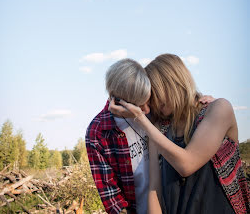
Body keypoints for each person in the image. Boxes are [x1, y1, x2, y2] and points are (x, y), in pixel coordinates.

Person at [109, 54, 250, 214]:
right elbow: (154, 190)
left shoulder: (218, 109)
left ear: (172, 83)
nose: (151, 103)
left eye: (154, 93)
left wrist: (140, 118)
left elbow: (186, 164)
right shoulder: (159, 128)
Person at [86, 58, 214, 214]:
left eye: (149, 100)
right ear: (117, 99)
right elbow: (112, 197)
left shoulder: (156, 114)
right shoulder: (98, 132)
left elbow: (182, 106)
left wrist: (202, 101)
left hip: (173, 205)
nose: (146, 109)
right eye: (139, 104)